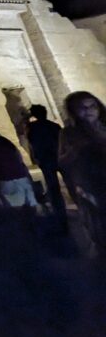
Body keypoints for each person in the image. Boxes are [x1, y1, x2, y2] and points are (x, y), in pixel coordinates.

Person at [59, 91, 106, 255]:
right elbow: (64, 160)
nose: (89, 111)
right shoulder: (70, 133)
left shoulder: (103, 127)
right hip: (92, 185)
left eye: (92, 106)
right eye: (82, 107)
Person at [25, 104, 66, 223]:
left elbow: (31, 142)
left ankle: (59, 211)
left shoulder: (32, 127)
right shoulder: (54, 125)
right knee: (68, 181)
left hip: (46, 158)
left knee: (53, 186)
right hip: (58, 156)